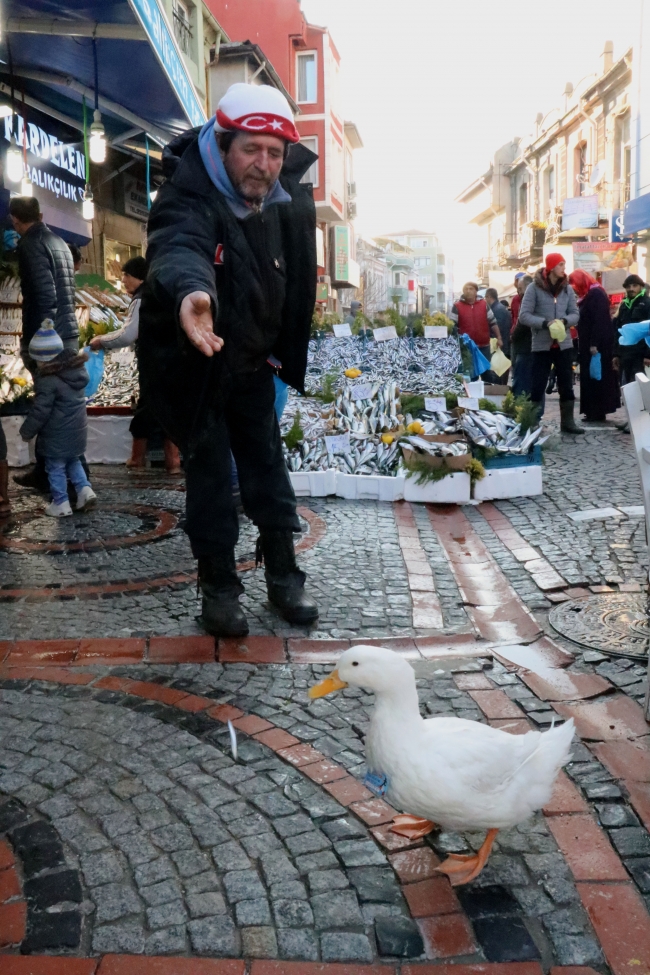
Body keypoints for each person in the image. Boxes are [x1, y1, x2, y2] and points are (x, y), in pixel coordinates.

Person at [138, 82, 319, 638]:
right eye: (250, 149)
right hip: (199, 368)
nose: (262, 165)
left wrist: (280, 352)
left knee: (268, 471)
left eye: (273, 152)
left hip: (254, 366)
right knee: (211, 480)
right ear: (222, 143)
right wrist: (194, 293)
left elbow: (297, 276)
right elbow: (178, 245)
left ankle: (284, 575)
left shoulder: (287, 196)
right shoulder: (188, 194)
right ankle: (218, 587)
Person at [9, 196, 79, 490]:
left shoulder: (30, 244)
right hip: (69, 334)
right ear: (39, 213)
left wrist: (42, 339)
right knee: (67, 406)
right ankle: (72, 475)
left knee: (49, 405)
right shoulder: (60, 242)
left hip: (49, 338)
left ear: (14, 219)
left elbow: (44, 294)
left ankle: (55, 477)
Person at [89, 257, 181, 474]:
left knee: (146, 408)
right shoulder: (163, 293)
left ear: (136, 276)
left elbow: (129, 334)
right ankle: (173, 462)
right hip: (173, 360)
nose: (123, 280)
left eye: (126, 275)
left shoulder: (142, 298)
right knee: (171, 408)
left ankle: (137, 459)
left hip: (153, 361)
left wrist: (101, 340)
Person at [19, 322, 96, 518]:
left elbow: (40, 411)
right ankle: (84, 490)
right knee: (74, 460)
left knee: (55, 467)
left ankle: (60, 502)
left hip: (56, 434)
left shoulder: (48, 381)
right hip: (78, 431)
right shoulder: (76, 372)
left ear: (43, 359)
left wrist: (27, 431)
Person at [518, 253, 582, 433]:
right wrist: (544, 323)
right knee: (537, 385)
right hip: (541, 345)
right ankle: (532, 421)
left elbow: (575, 314)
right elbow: (524, 316)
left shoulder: (567, 289)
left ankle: (568, 423)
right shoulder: (533, 288)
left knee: (566, 385)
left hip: (563, 344)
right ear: (552, 267)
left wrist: (564, 321)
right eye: (561, 264)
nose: (564, 268)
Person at [569, 269, 620, 422]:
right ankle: (592, 411)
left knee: (596, 378)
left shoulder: (596, 295)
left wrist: (594, 344)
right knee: (591, 377)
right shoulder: (589, 295)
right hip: (588, 344)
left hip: (597, 346)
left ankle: (597, 411)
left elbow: (599, 321)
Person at [450, 282, 502, 379]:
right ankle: (471, 394)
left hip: (484, 347)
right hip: (466, 348)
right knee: (470, 376)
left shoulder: (484, 304)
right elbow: (452, 326)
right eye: (466, 289)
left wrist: (499, 338)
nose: (468, 291)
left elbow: (493, 322)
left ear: (476, 291)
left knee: (487, 374)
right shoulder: (457, 306)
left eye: (471, 289)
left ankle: (487, 394)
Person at [612, 274, 650, 385]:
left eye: (635, 285)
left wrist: (648, 355)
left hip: (641, 357)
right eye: (628, 286)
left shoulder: (647, 304)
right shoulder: (624, 307)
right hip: (625, 356)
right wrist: (616, 354)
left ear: (641, 287)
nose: (631, 289)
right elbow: (618, 332)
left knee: (642, 389)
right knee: (628, 389)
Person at [510, 274, 536, 397]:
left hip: (526, 347)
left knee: (522, 381)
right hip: (530, 346)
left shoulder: (529, 300)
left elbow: (522, 322)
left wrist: (513, 336)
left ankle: (522, 408)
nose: (518, 292)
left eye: (520, 288)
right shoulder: (520, 299)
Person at [485, 287, 511, 381]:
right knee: (501, 376)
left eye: (485, 298)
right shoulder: (501, 308)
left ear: (488, 297)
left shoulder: (496, 310)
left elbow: (496, 329)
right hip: (504, 346)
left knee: (497, 377)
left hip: (499, 347)